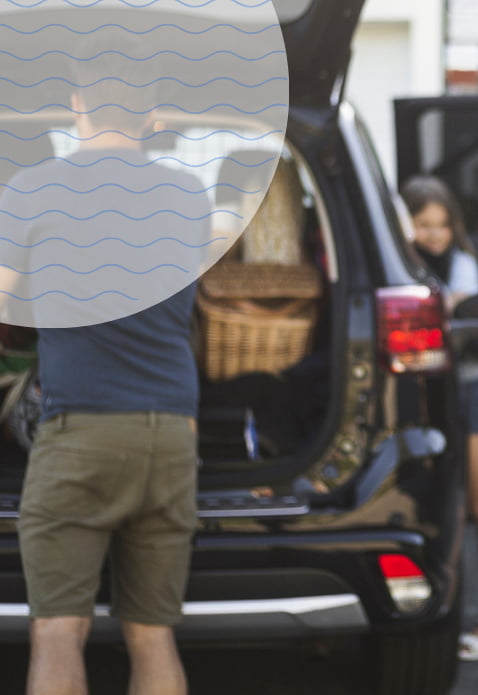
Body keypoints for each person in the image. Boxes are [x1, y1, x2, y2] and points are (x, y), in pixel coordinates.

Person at [6, 39, 209, 695]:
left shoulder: (33, 189)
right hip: (173, 433)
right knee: (152, 634)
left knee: (58, 632)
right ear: (151, 116)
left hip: (81, 434)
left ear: (75, 108)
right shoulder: (189, 196)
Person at [400, 175, 478, 661]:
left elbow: (452, 311)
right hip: (420, 399)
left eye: (441, 225)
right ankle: (430, 614)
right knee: (434, 507)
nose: (433, 235)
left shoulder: (462, 263)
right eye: (422, 224)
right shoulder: (399, 262)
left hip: (471, 391)